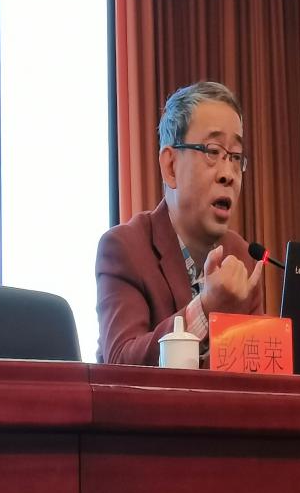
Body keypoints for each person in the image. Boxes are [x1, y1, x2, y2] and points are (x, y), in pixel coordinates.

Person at [96, 81, 264, 365]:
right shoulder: (125, 248)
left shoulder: (242, 258)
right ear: (170, 166)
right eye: (212, 152)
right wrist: (206, 309)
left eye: (235, 157)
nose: (228, 174)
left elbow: (257, 368)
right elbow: (120, 362)